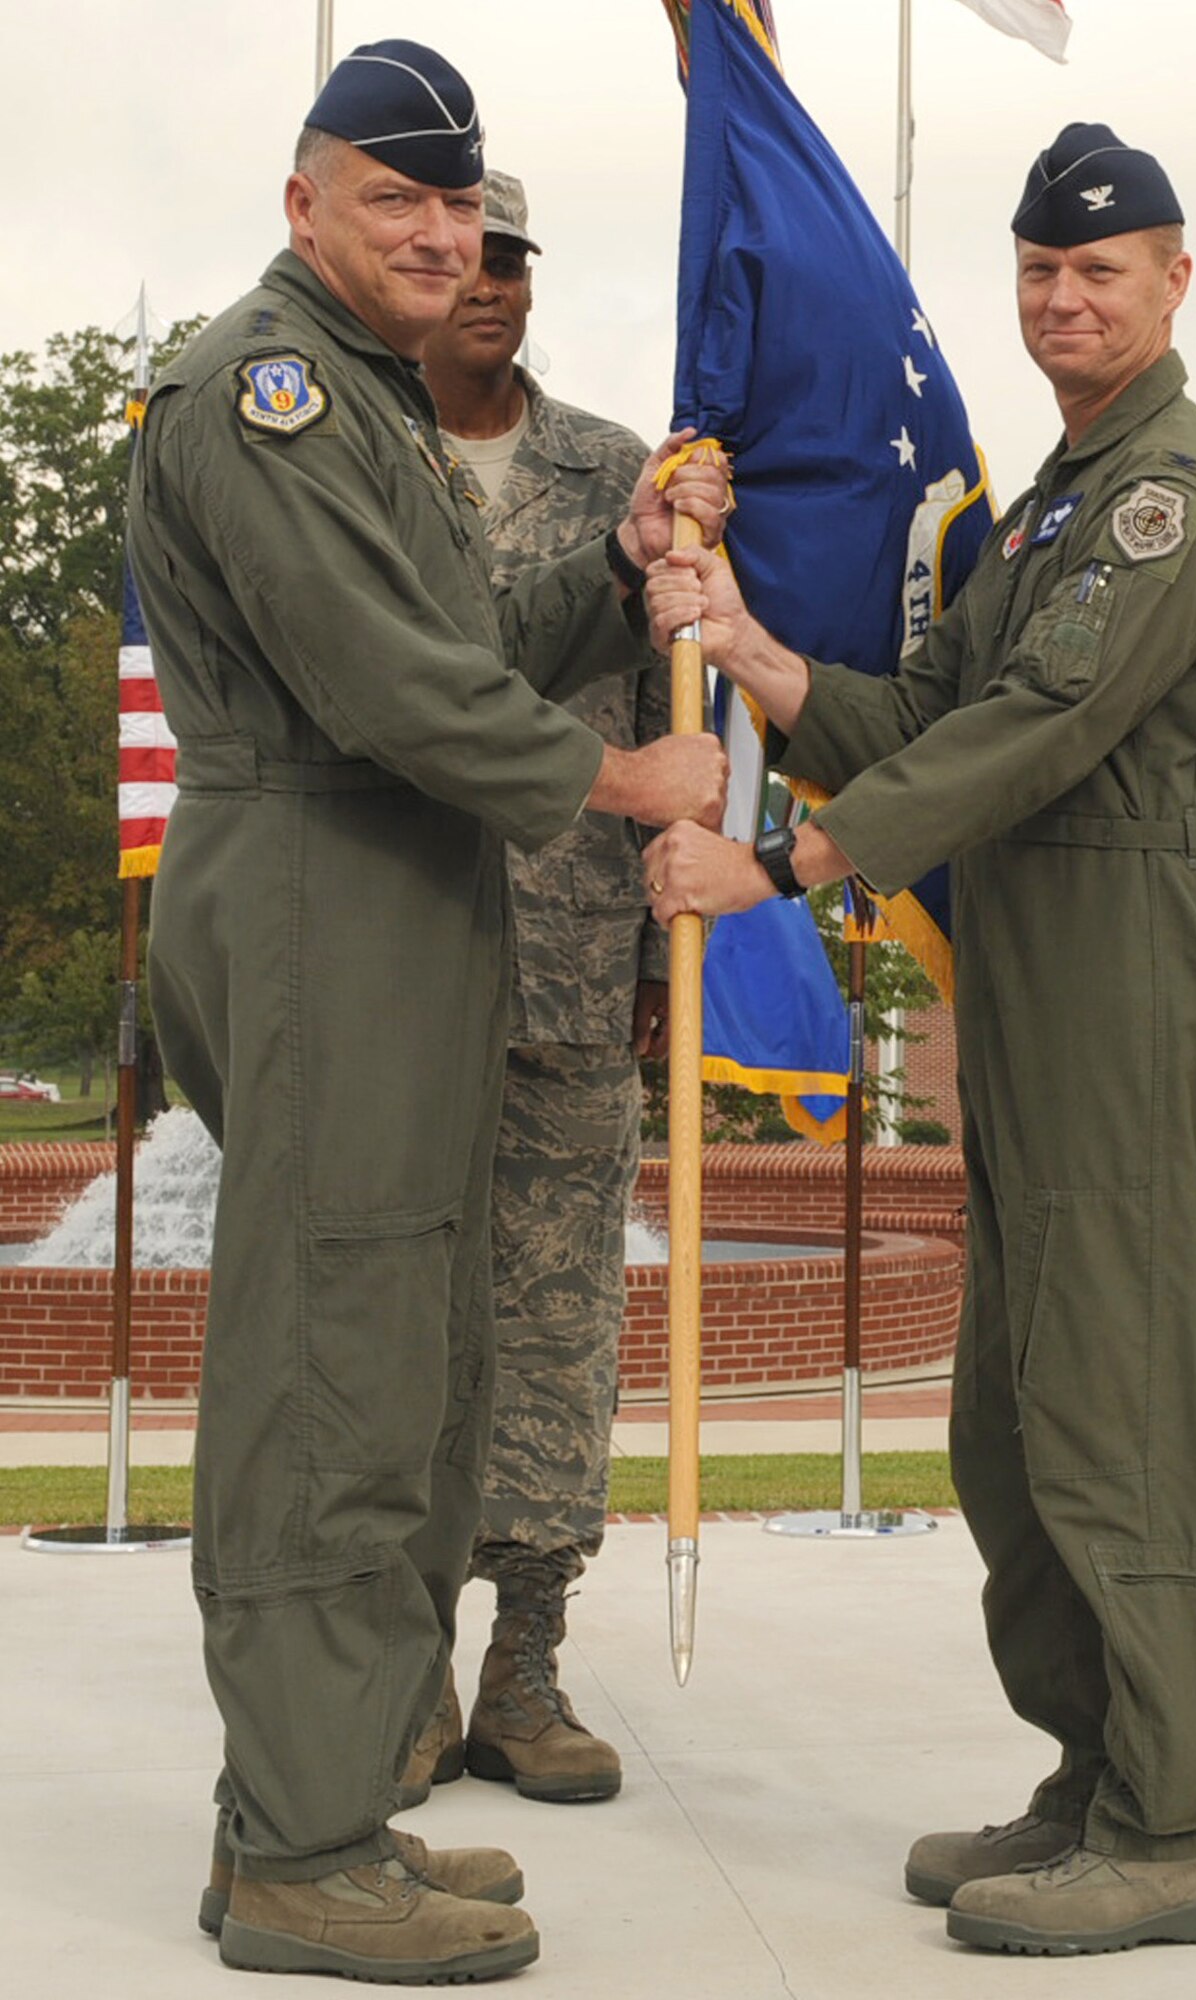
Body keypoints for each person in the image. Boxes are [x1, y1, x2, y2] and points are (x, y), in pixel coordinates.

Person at [641, 123, 1196, 1957]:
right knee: (1016, 1418)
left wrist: (779, 863)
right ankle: (1097, 1774)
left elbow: (1036, 732)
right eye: (1038, 271)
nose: (1062, 298)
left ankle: (1182, 1826)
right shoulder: (1054, 508)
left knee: (1123, 1410)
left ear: (1173, 280)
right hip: (1034, 983)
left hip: (1128, 973)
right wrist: (747, 640)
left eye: (1101, 269)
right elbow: (930, 703)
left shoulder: (1172, 494)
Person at [127, 40, 727, 1987]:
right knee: (331, 1369)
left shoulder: (367, 394)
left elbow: (456, 649)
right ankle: (302, 1848)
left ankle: (303, 1815)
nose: (439, 233)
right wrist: (620, 780)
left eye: (458, 205)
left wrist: (608, 592)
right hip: (323, 887)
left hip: (389, 892)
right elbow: (386, 686)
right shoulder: (272, 385)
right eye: (397, 197)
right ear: (305, 203)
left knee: (396, 1362)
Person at [399, 171, 668, 1807]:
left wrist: (652, 954)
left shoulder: (613, 474)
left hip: (571, 961)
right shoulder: (356, 455)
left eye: (510, 259)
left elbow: (654, 705)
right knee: (402, 1324)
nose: (487, 283)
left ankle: (526, 1666)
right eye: (462, 255)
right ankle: (400, 1668)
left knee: (562, 1324)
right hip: (400, 954)